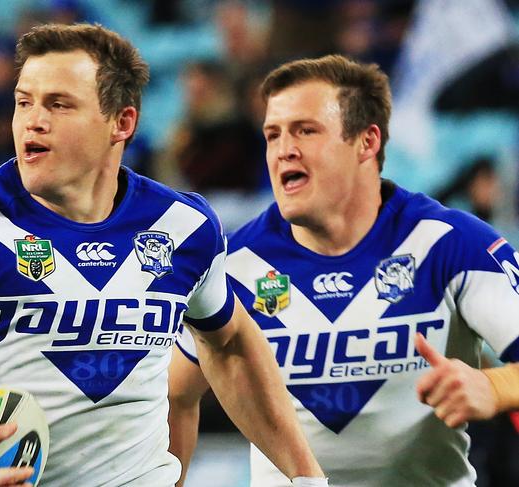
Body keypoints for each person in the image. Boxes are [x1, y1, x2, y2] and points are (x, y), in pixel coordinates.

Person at [0, 23, 326, 487]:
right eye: (24, 102)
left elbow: (228, 343)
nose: (33, 120)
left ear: (122, 123)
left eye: (59, 104)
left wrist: (306, 476)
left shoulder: (184, 226)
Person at [169, 54, 519, 487]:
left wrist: (495, 387)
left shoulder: (451, 243)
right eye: (272, 134)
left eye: (306, 131)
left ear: (367, 143)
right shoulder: (236, 265)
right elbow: (173, 395)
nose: (284, 151)